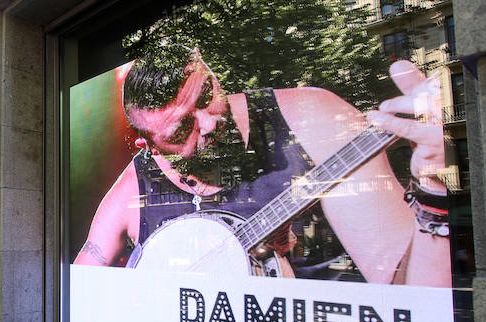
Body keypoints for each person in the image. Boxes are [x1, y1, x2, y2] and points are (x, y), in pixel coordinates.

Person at [75, 50, 450, 287]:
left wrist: (432, 192)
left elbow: (414, 298)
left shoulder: (312, 120)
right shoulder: (135, 187)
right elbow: (83, 289)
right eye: (181, 129)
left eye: (207, 96)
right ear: (150, 146)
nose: (208, 123)